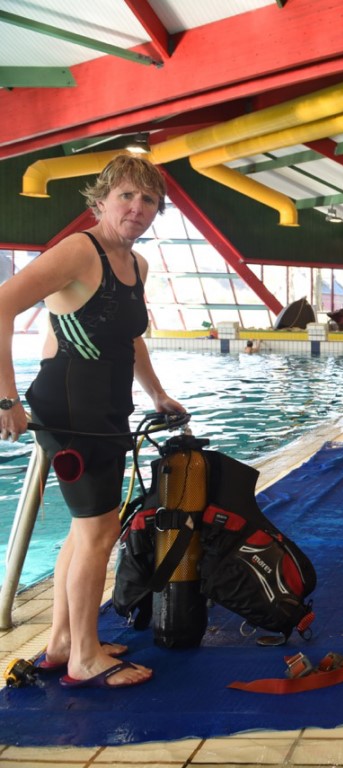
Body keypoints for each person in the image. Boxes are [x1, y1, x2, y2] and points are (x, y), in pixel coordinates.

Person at [0, 155, 185, 689]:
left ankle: (63, 641)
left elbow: (130, 337)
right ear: (101, 201)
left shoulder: (136, 264)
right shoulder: (80, 250)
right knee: (99, 532)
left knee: (85, 530)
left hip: (106, 409)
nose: (137, 207)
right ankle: (85, 657)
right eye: (126, 195)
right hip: (71, 409)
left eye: (148, 200)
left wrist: (157, 394)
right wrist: (6, 399)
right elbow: (2, 306)